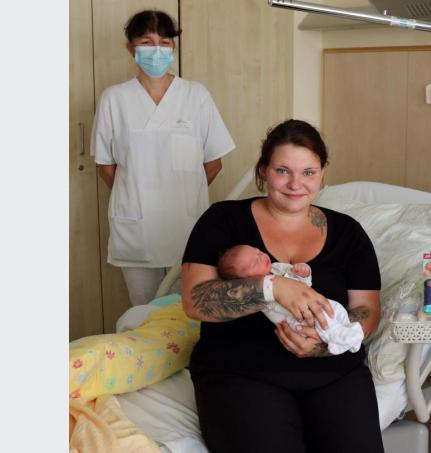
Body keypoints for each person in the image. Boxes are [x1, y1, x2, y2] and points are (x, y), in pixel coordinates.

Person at [181, 119, 384, 452]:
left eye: (308, 172)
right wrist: (272, 288)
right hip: (242, 372)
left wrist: (325, 344)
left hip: (333, 371)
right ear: (263, 171)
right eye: (282, 171)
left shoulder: (349, 233)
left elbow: (368, 310)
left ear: (322, 173)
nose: (295, 184)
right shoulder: (223, 220)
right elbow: (195, 301)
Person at [91, 10, 235, 306]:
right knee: (143, 311)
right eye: (147, 41)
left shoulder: (196, 96)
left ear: (173, 47)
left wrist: (182, 195)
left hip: (186, 226)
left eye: (165, 42)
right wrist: (135, 193)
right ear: (130, 48)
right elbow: (105, 165)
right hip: (136, 228)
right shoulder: (114, 99)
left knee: (188, 311)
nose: (156, 50)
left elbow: (213, 161)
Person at [217, 244, 365, 355]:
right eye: (255, 263)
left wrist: (301, 272)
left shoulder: (277, 268)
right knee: (325, 325)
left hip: (317, 303)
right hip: (297, 319)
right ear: (246, 281)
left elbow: (304, 285)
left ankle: (345, 333)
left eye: (258, 252)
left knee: (336, 310)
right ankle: (345, 339)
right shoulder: (257, 296)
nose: (262, 256)